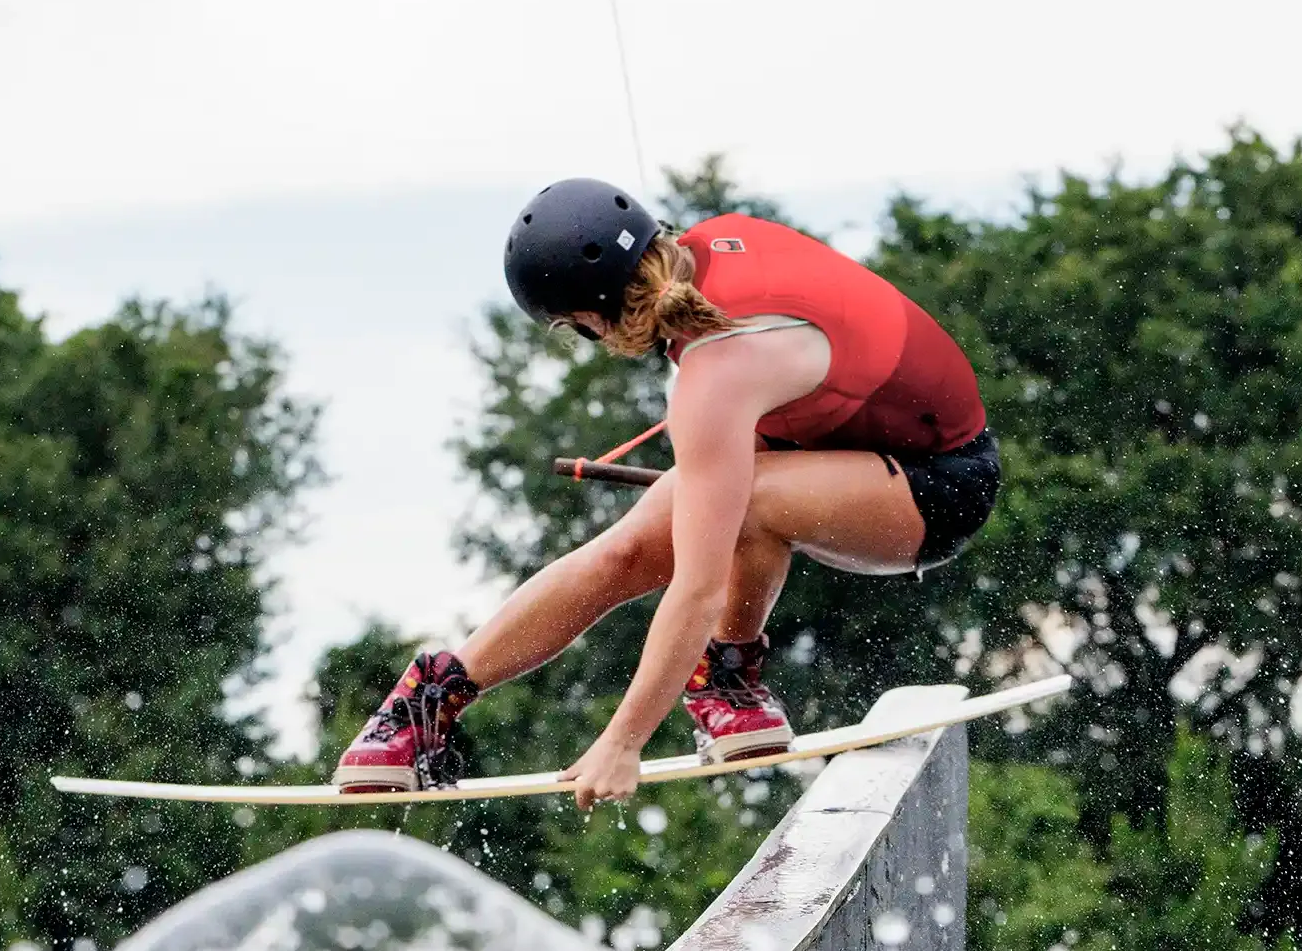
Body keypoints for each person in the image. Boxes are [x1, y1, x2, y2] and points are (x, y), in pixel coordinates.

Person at [335, 178, 1000, 809]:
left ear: (592, 316)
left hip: (942, 483)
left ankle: (732, 684)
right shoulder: (715, 245)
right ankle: (426, 703)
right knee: (627, 547)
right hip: (840, 449)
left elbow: (699, 587)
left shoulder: (717, 373)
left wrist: (624, 741)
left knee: (742, 509)